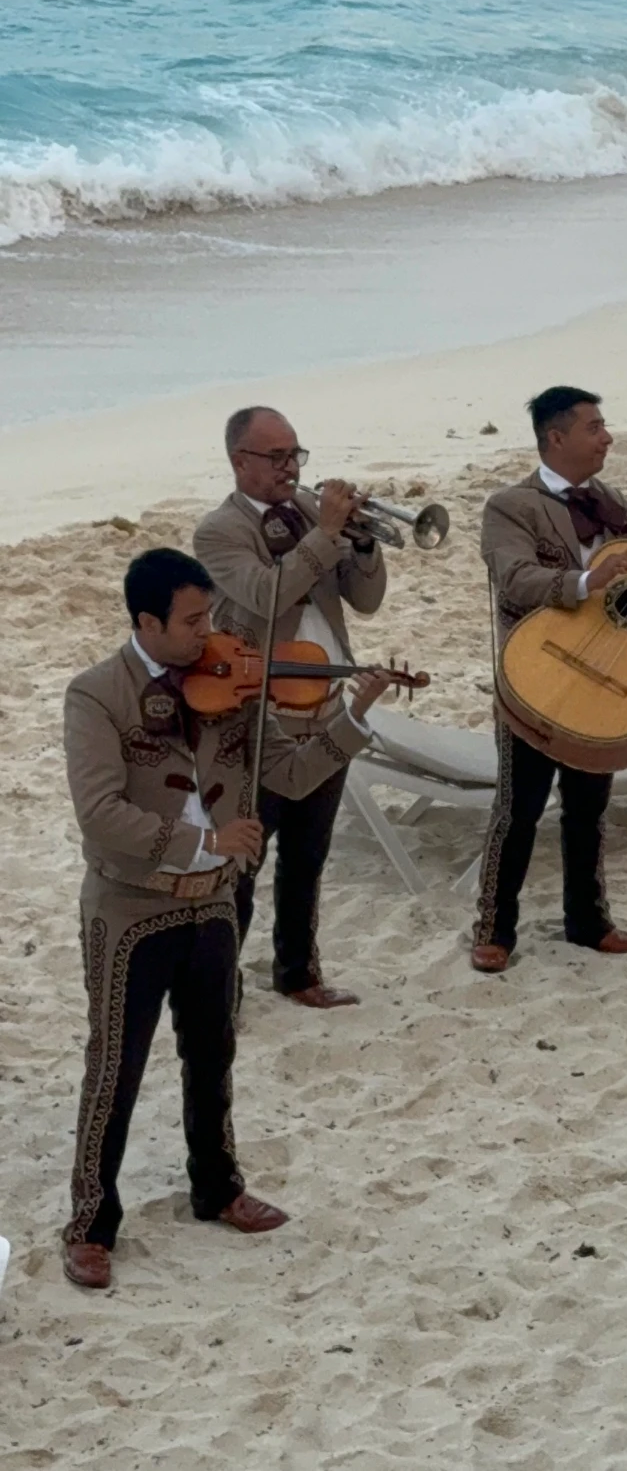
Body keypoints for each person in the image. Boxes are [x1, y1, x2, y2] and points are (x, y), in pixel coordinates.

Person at [62, 548, 393, 1291]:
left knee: (212, 1053)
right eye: (190, 621)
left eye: (208, 615)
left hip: (212, 902)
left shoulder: (233, 688)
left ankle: (217, 1188)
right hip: (131, 908)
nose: (207, 633)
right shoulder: (95, 696)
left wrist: (353, 712)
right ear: (145, 622)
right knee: (115, 1064)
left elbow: (291, 774)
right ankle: (90, 1223)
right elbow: (100, 814)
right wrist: (206, 841)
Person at [472, 385, 627, 974]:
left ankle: (588, 921)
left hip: (608, 671)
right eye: (595, 427)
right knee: (519, 807)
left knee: (588, 808)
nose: (607, 436)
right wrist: (586, 581)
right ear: (555, 438)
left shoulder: (609, 500)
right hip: (538, 673)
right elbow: (514, 579)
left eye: (605, 426)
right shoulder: (510, 506)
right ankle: (493, 928)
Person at [193, 407, 387, 1008]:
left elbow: (368, 601)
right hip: (258, 712)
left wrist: (363, 542)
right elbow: (265, 594)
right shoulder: (219, 531)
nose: (289, 467)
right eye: (274, 456)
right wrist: (326, 535)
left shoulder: (306, 514)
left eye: (294, 454)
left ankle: (298, 974)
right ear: (238, 462)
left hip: (326, 702)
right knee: (244, 861)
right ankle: (221, 991)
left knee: (309, 855)